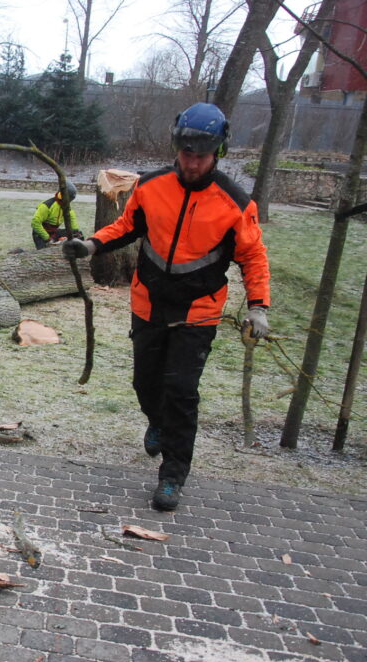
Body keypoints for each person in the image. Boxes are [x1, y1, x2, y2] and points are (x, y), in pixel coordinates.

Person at [61, 102, 271, 512]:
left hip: (199, 310)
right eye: (186, 153)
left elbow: (253, 256)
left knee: (180, 391)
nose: (192, 163)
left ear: (217, 154)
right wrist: (90, 245)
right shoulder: (152, 186)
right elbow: (127, 226)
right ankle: (156, 421)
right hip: (148, 301)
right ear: (177, 148)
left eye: (201, 156)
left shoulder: (235, 203)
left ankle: (173, 474)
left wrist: (258, 307)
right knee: (146, 383)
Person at [31, 180, 82, 249]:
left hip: (54, 231)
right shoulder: (47, 205)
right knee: (44, 251)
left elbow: (72, 219)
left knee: (78, 235)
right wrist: (47, 238)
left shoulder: (66, 207)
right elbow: (35, 222)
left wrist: (76, 232)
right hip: (40, 234)